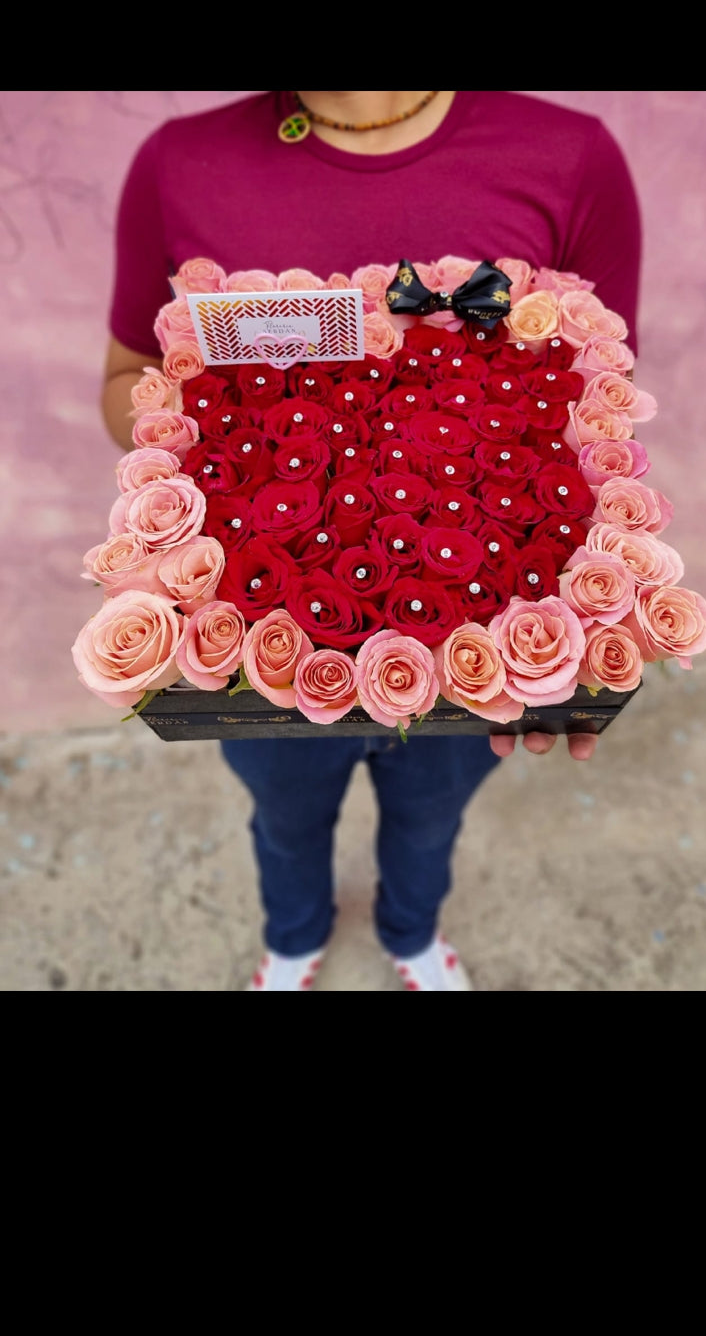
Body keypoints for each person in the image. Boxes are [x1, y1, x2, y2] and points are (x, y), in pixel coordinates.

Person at [103, 90, 642, 991]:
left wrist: (578, 640)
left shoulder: (568, 155)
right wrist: (177, 428)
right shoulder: (179, 162)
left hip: (472, 635)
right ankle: (293, 937)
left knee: (430, 819)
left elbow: (597, 394)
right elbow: (130, 374)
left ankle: (408, 931)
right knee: (283, 819)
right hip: (259, 632)